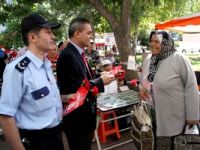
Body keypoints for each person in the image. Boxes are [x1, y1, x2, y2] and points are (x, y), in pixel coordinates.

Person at [0, 13, 64, 150]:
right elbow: (6, 116)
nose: (53, 37)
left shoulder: (46, 65)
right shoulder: (17, 70)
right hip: (35, 143)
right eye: (48, 32)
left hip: (56, 137)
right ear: (32, 37)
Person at [56, 17, 114, 150]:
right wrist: (101, 81)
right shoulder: (68, 56)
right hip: (77, 120)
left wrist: (100, 76)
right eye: (88, 33)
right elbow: (76, 89)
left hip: (85, 118)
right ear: (77, 33)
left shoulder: (77, 52)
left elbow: (85, 79)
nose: (91, 36)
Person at [139, 30, 199, 149]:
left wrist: (192, 116)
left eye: (157, 41)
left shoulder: (178, 59)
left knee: (171, 145)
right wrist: (141, 89)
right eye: (151, 41)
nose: (152, 44)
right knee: (153, 145)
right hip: (150, 117)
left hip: (173, 117)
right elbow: (145, 82)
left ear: (166, 43)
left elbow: (191, 87)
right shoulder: (148, 60)